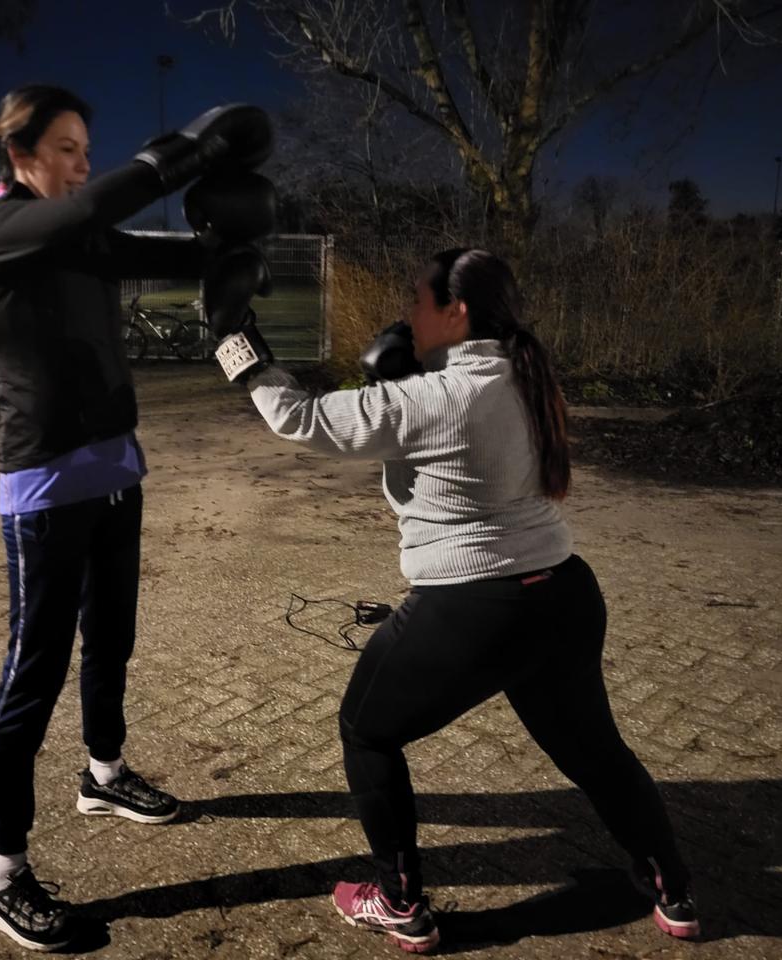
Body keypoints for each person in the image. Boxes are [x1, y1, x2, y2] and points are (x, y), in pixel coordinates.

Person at [203, 247, 700, 953]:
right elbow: (450, 414)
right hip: (561, 594)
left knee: (367, 730)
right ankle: (672, 887)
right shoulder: (529, 376)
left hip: (475, 610)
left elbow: (303, 420)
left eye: (418, 300)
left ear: (456, 310)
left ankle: (401, 902)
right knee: (596, 753)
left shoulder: (433, 400)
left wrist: (237, 344)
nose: (408, 312)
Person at [0, 84, 272, 951]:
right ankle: (2, 875)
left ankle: (103, 774)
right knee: (33, 673)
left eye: (87, 149)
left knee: (114, 639)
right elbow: (97, 208)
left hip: (116, 473)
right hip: (46, 489)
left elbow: (156, 252)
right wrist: (189, 152)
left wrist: (237, 245)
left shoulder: (78, 233)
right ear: (19, 151)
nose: (83, 165)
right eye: (66, 147)